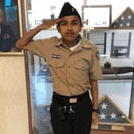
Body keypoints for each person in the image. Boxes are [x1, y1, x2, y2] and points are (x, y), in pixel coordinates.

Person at [16, 2, 102, 134]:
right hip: (59, 105)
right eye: (64, 24)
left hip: (82, 105)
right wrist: (41, 27)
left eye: (74, 23)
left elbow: (94, 81)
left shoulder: (91, 49)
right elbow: (20, 44)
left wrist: (95, 110)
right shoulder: (49, 46)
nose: (69, 28)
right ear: (58, 28)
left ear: (80, 27)